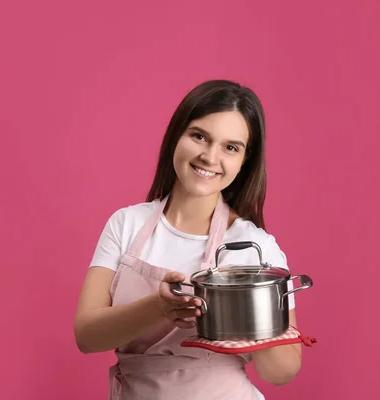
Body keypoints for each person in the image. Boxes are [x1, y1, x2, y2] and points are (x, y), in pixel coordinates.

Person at [73, 79, 303, 399]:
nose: (210, 157)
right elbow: (87, 336)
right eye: (199, 136)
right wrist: (159, 307)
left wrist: (256, 308)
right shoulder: (126, 224)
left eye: (230, 147)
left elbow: (282, 372)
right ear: (176, 136)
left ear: (244, 161)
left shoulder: (255, 249)